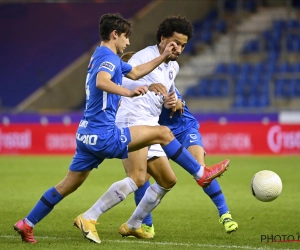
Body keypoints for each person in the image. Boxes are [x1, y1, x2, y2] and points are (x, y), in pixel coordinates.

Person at [14, 13, 229, 244]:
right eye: (126, 37)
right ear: (114, 35)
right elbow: (102, 81)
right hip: (105, 133)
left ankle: (27, 223)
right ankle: (200, 174)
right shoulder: (108, 57)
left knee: (68, 185)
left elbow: (135, 73)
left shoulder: (103, 56)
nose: (128, 43)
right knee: (161, 136)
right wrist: (129, 92)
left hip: (87, 132)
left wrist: (163, 57)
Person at [75, 15, 231, 242]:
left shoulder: (173, 67)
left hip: (149, 121)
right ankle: (91, 215)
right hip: (131, 119)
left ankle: (133, 224)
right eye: (175, 42)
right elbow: (121, 81)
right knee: (139, 176)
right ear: (163, 38)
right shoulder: (143, 56)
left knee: (168, 180)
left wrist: (172, 100)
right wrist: (145, 85)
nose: (178, 48)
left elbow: (165, 93)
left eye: (183, 45)